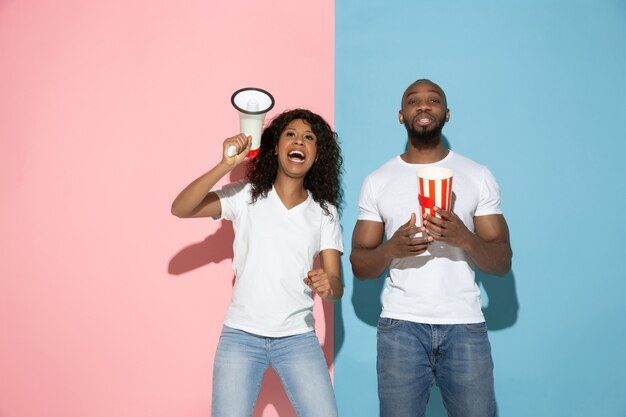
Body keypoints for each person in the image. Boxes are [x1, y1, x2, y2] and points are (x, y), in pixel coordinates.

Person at [350, 79, 512, 417]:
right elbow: (360, 266)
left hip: (464, 326)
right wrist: (391, 248)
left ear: (447, 114)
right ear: (401, 115)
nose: (424, 106)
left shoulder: (476, 175)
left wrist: (464, 237)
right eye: (414, 101)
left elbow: (501, 261)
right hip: (401, 328)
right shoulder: (378, 180)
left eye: (433, 100)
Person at [171, 109, 344, 417]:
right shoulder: (245, 196)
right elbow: (181, 208)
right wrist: (226, 164)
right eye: (290, 134)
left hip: (297, 339)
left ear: (317, 155)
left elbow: (335, 286)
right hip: (241, 338)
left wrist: (328, 286)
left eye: (309, 137)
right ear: (275, 147)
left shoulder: (324, 212)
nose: (299, 141)